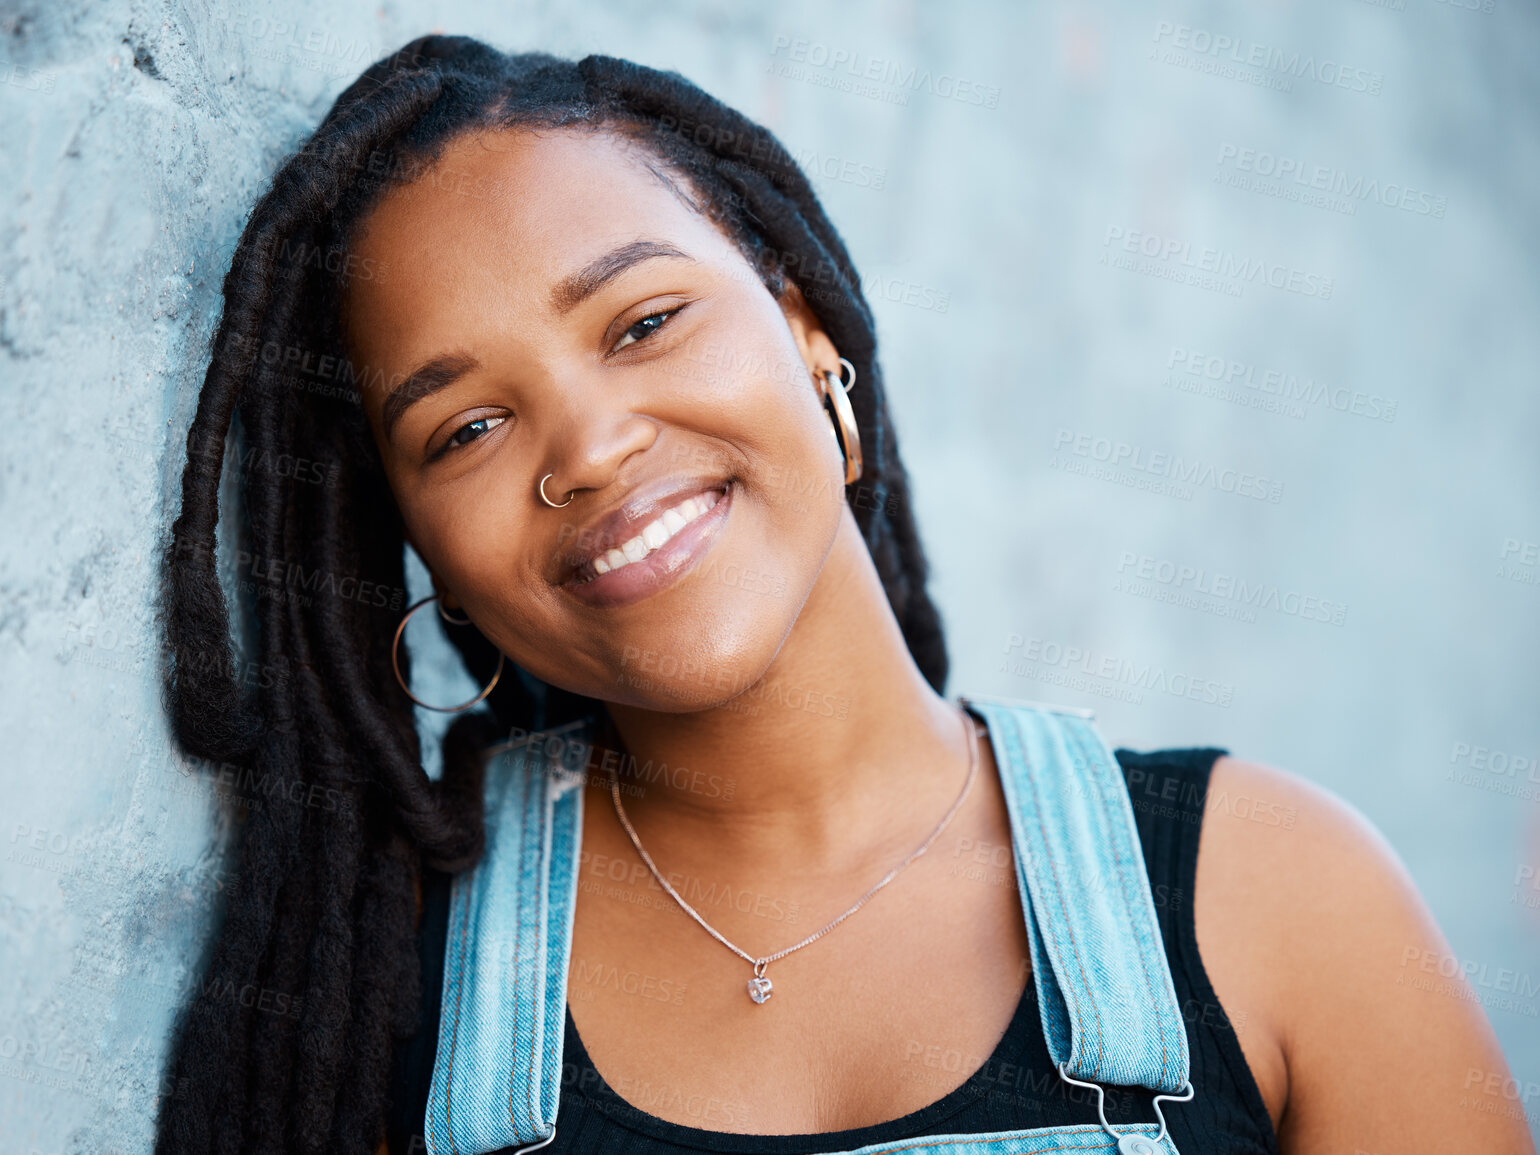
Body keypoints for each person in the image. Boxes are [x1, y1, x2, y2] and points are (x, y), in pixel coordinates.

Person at [154, 35, 1534, 1155]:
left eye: (643, 323)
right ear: (415, 547)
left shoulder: (1274, 895)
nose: (587, 450)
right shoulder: (386, 974)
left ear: (807, 326)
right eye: (464, 430)